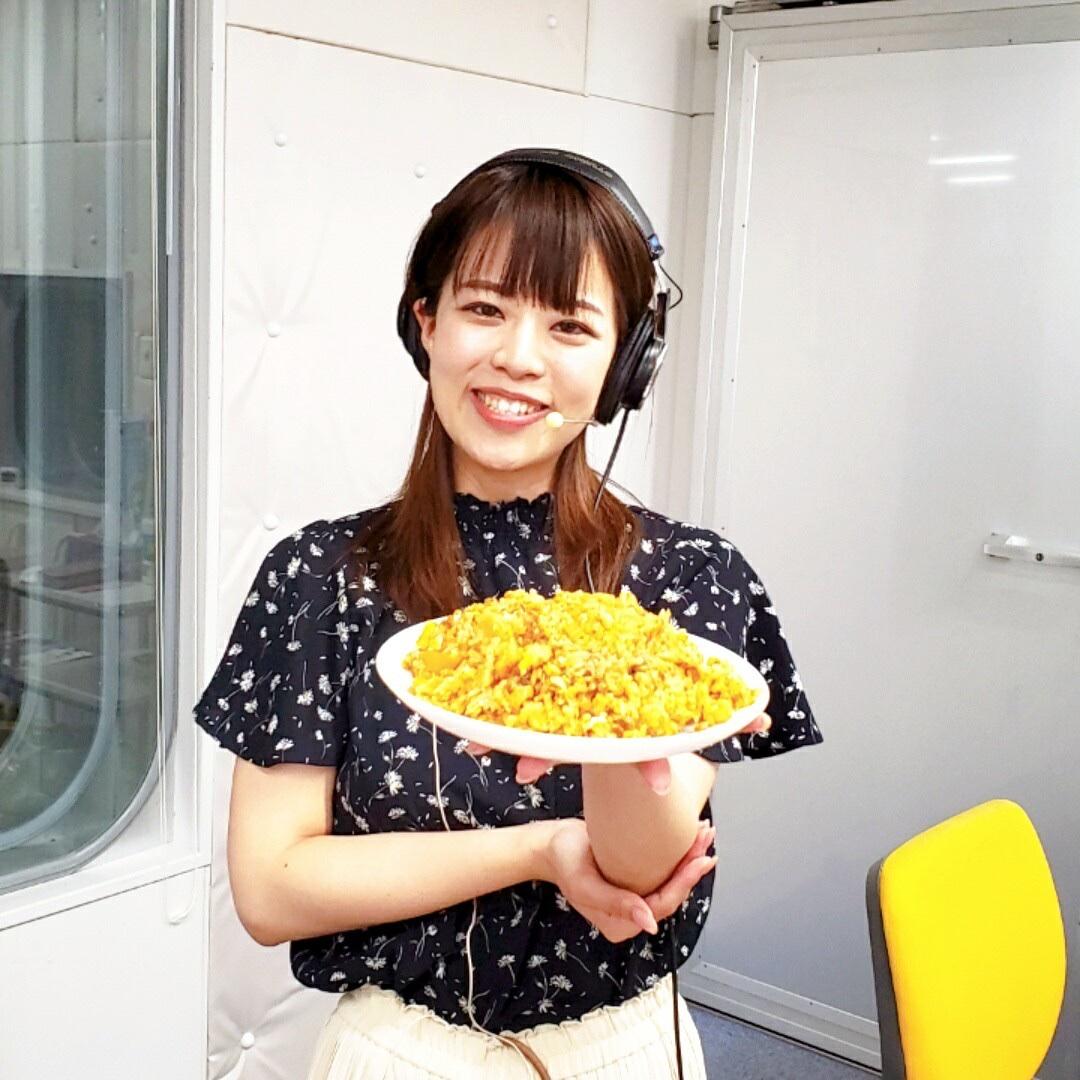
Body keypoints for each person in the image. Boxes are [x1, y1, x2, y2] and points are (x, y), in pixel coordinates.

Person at [193, 148, 823, 1080]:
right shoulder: (320, 577)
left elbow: (640, 875)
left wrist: (622, 714)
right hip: (394, 1053)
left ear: (625, 364)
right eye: (485, 309)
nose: (519, 358)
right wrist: (537, 850)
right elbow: (271, 888)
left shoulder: (686, 580)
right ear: (427, 323)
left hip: (622, 1052)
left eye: (570, 325)